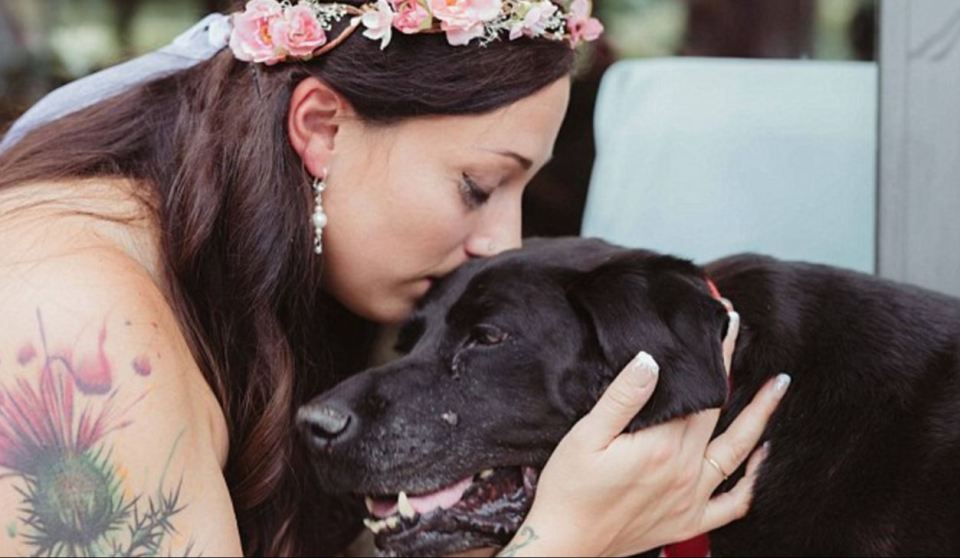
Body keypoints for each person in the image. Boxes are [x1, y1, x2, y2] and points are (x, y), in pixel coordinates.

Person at [0, 1, 787, 556]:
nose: (500, 242)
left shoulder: (247, 270)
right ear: (322, 127)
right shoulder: (74, 326)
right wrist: (567, 543)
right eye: (478, 186)